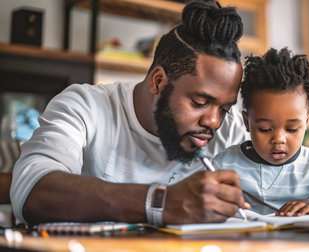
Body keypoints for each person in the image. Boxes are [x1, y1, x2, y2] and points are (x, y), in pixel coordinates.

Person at [10, 1, 250, 226]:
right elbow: (34, 190)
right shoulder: (85, 106)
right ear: (158, 81)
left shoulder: (229, 131)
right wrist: (161, 202)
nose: (214, 121)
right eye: (199, 102)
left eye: (225, 109)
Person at [212, 48, 309, 217]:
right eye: (265, 129)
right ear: (246, 122)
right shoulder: (225, 164)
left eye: (292, 129)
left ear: (307, 122)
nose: (279, 139)